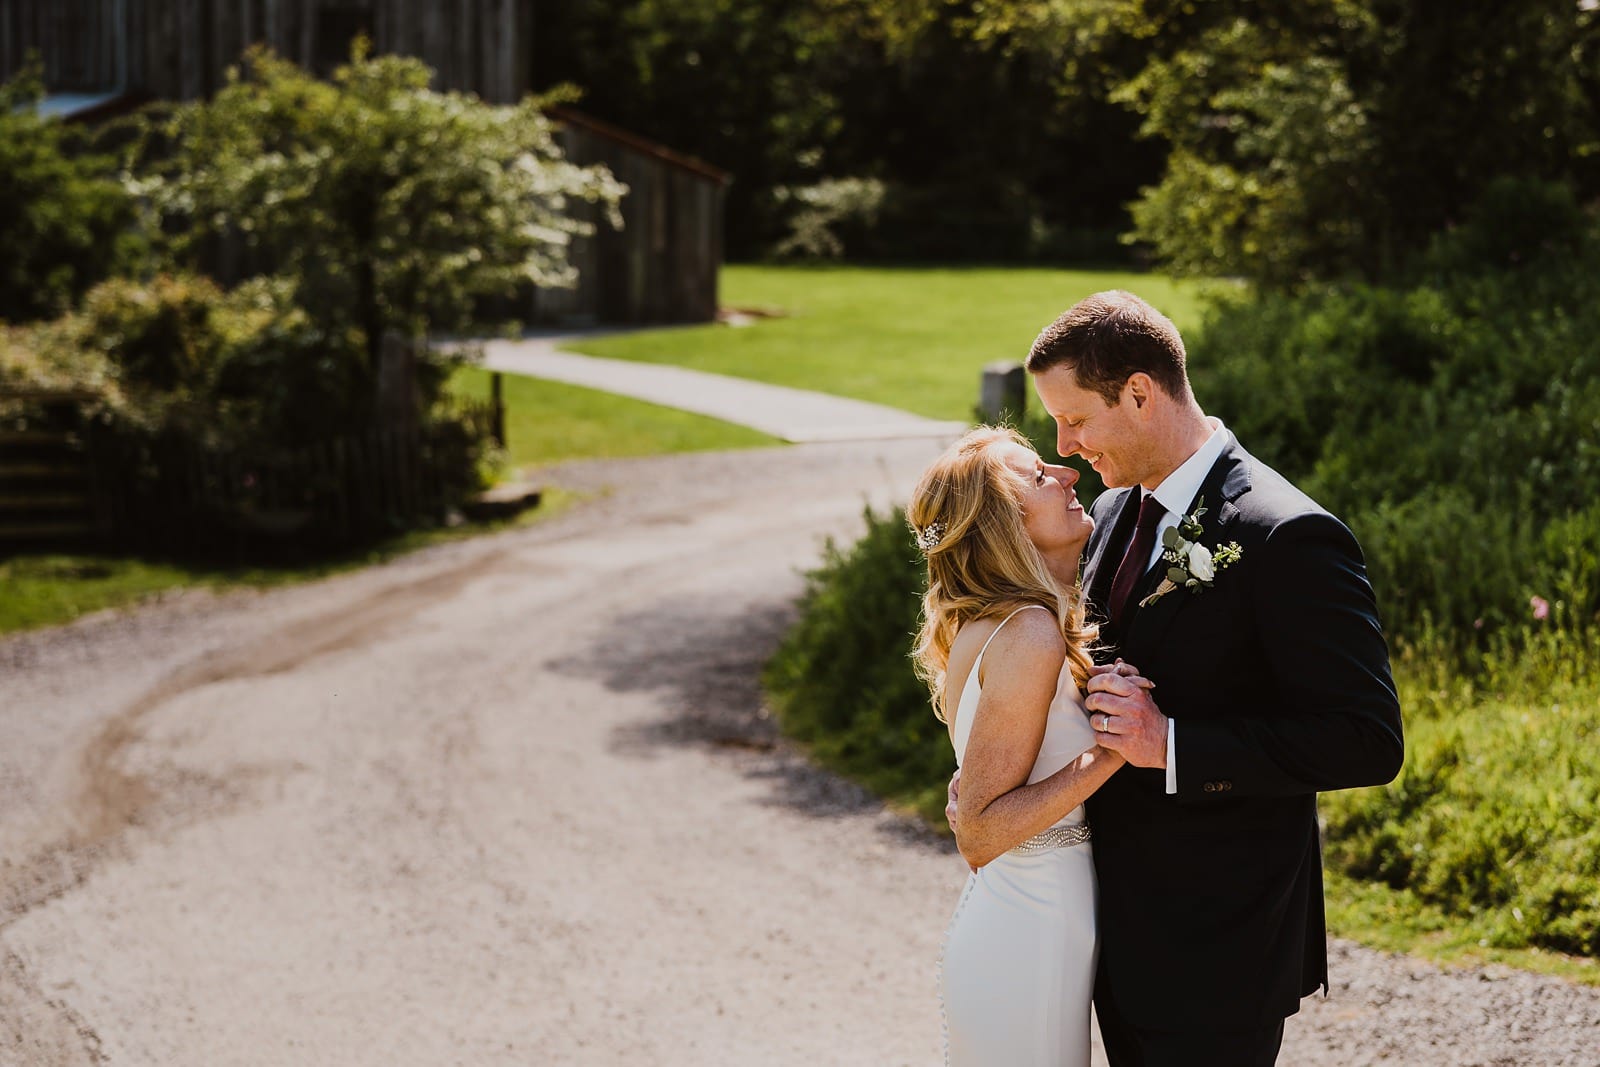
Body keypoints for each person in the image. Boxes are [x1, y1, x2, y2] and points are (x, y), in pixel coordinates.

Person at [1022, 289, 1405, 1066]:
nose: (1063, 444)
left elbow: (1368, 740)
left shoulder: (1288, 534)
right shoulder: (1115, 510)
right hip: (1112, 933)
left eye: (1076, 419)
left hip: (1219, 944)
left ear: (1139, 392)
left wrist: (1174, 745)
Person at [907, 426, 1129, 1067]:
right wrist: (1112, 751)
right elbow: (978, 833)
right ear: (1006, 526)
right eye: (1038, 476)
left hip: (1032, 920)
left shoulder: (1012, 620)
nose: (1067, 474)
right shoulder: (1030, 631)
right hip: (1028, 929)